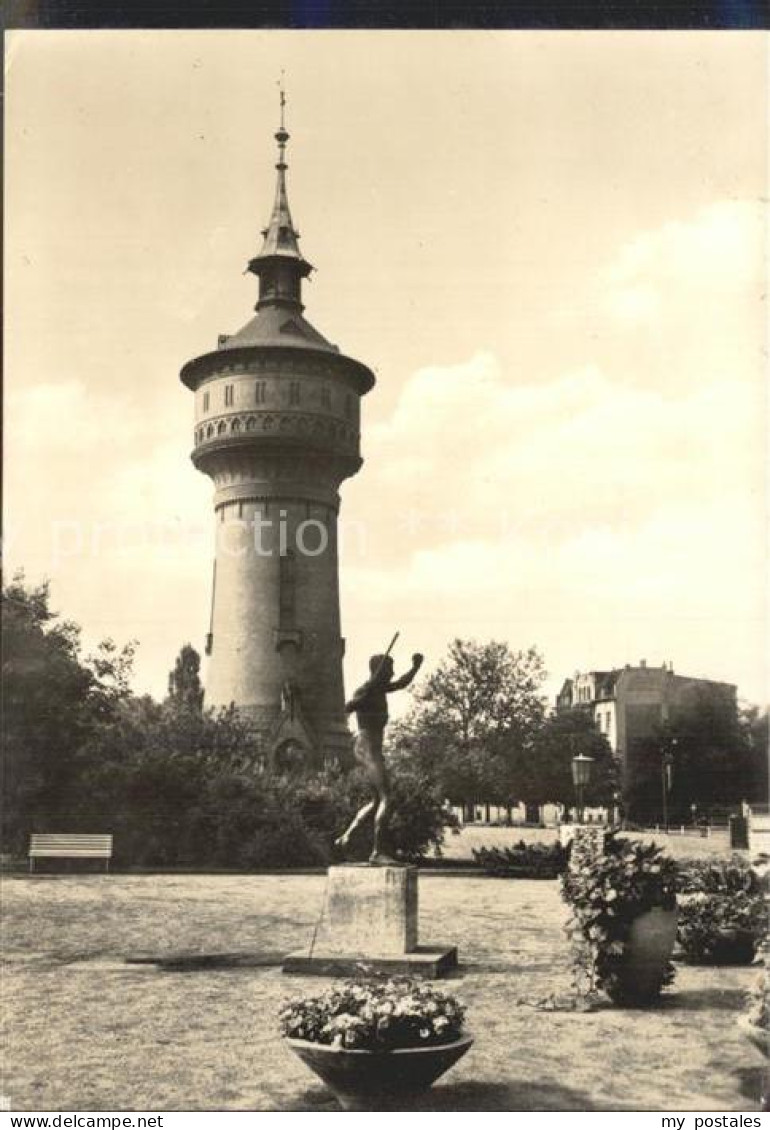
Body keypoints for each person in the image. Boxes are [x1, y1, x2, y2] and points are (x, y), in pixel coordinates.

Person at [334, 650, 424, 864]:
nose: (392, 672)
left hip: (371, 748)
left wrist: (415, 667)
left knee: (377, 801)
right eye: (389, 668)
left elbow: (401, 683)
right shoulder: (367, 690)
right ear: (380, 670)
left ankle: (346, 837)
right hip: (367, 747)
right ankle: (378, 852)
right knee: (387, 798)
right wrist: (360, 699)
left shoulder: (379, 689)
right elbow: (346, 707)